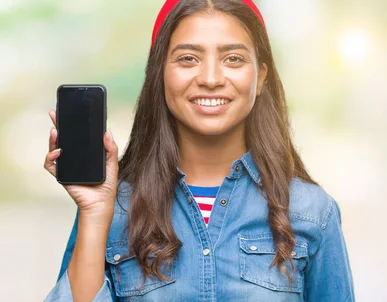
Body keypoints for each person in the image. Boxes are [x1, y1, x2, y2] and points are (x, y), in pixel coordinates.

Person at [43, 0, 354, 301]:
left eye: (233, 58)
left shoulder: (313, 213)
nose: (210, 79)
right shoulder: (112, 207)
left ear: (261, 77)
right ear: (159, 74)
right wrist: (96, 212)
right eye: (187, 58)